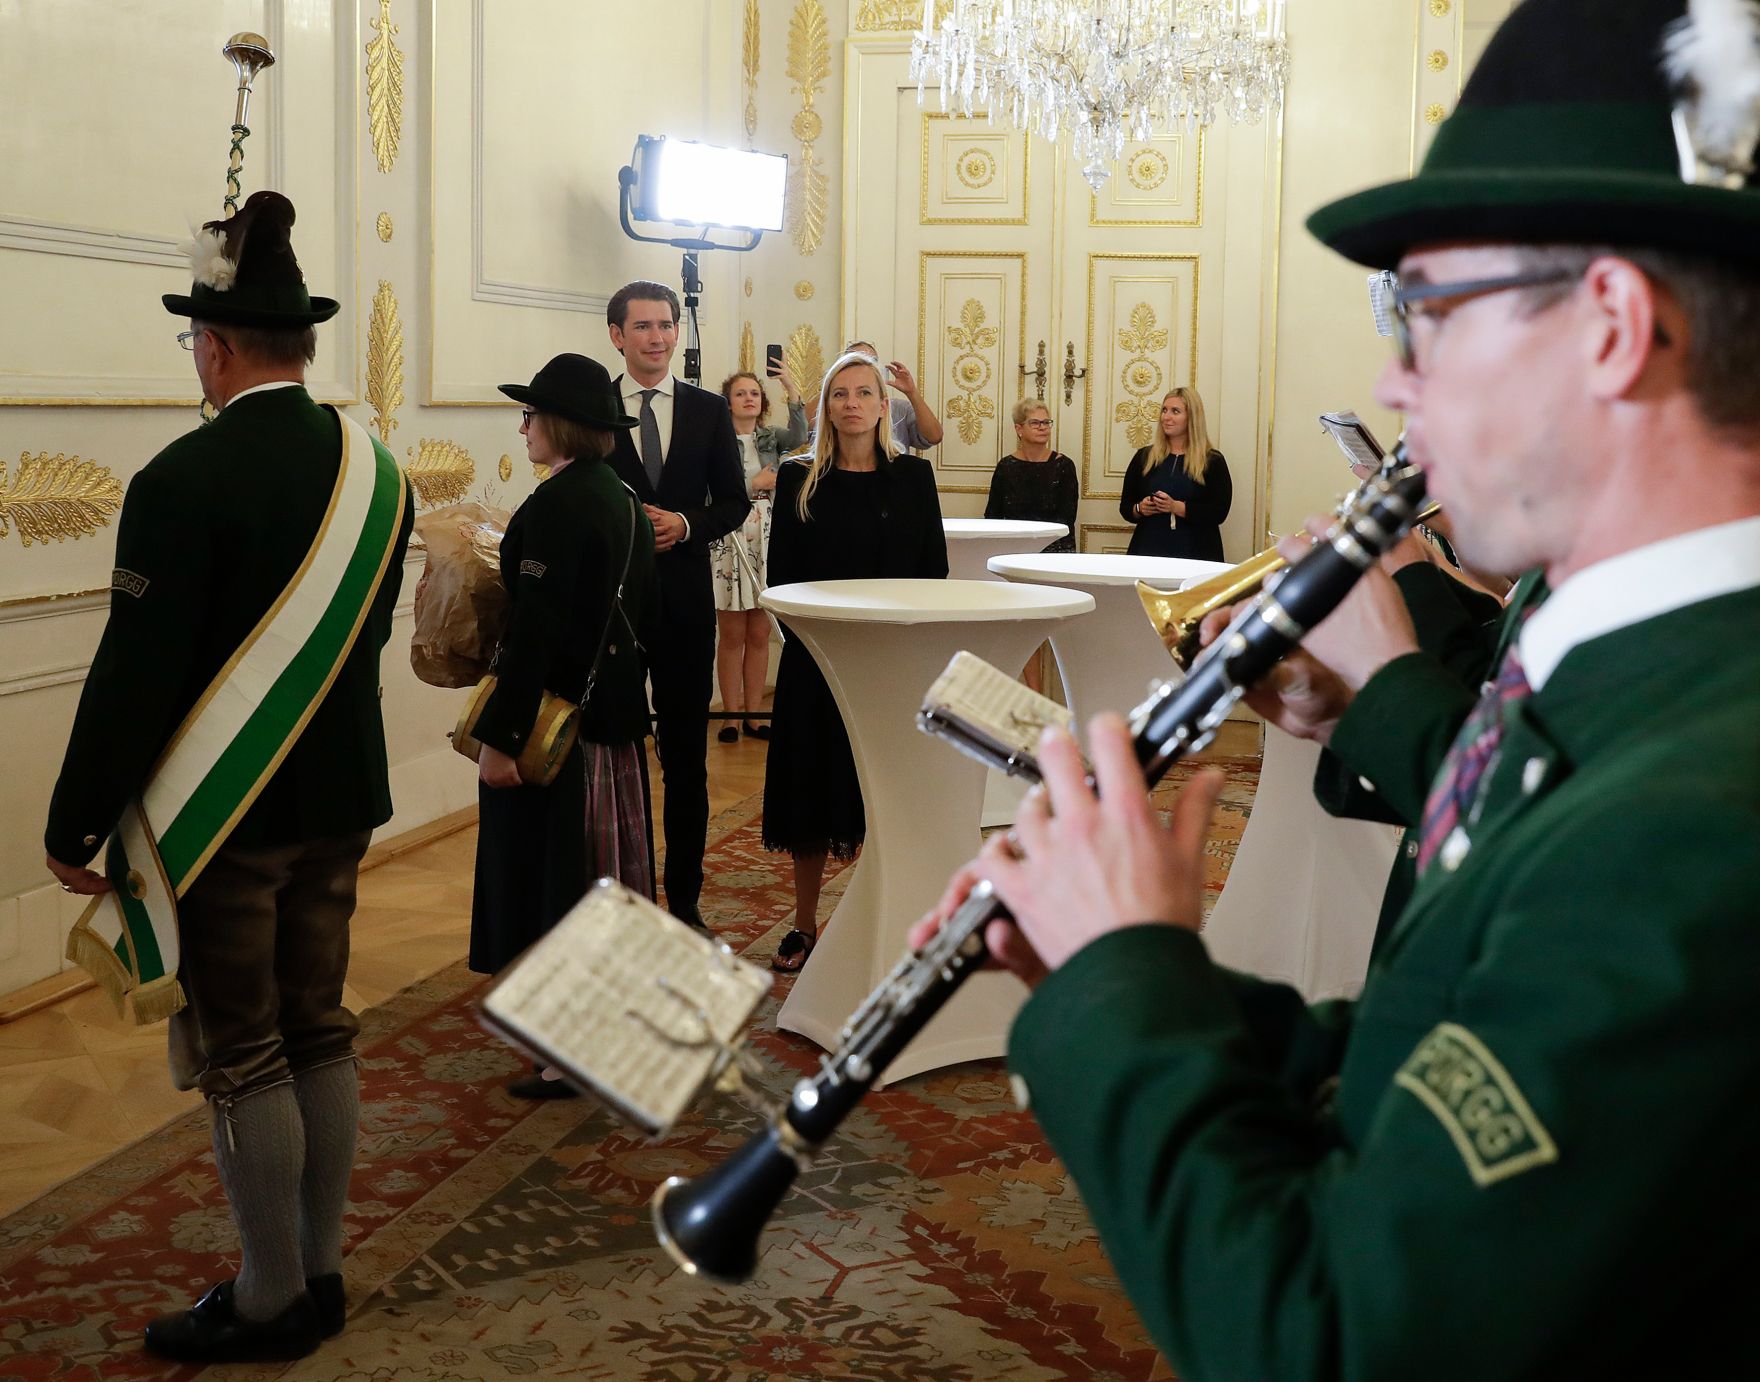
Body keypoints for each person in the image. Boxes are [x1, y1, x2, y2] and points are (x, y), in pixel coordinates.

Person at [915, 0, 1760, 1371]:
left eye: (1423, 311)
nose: (1391, 378)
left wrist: (1123, 992)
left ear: (1609, 323)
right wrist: (1135, 969)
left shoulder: (1688, 810)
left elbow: (1331, 1342)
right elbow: (1446, 1055)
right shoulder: (1642, 677)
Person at [43, 191, 413, 1363]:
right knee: (320, 1026)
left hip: (231, 825)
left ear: (213, 346)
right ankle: (319, 1266)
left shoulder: (180, 480)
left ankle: (265, 1296)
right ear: (297, 344)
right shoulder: (382, 473)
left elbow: (135, 676)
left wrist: (75, 821)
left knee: (244, 1047)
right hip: (342, 800)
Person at [468, 354, 659, 1099]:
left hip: (557, 730)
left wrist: (502, 739)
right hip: (609, 720)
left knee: (557, 883)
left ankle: (566, 1052)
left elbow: (536, 634)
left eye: (529, 416)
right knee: (605, 881)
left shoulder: (555, 506)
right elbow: (647, 617)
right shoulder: (619, 497)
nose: (522, 428)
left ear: (557, 425)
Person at [762, 352, 949, 972]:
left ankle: (890, 918)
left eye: (863, 393)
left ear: (882, 404)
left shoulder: (913, 480)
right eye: (839, 394)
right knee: (810, 795)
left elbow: (934, 574)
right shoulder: (797, 480)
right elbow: (782, 580)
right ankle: (805, 923)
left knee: (889, 796)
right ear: (826, 406)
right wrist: (818, 640)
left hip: (893, 662)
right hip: (818, 661)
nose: (851, 404)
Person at [603, 281, 750, 929]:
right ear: (617, 336)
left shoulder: (708, 410)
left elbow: (735, 503)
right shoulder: (594, 409)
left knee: (686, 763)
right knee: (611, 753)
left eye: (666, 325)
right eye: (643, 327)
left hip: (688, 609)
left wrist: (687, 525)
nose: (658, 337)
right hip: (613, 612)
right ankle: (611, 892)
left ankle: (684, 901)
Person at [711, 367, 808, 743]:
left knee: (760, 630)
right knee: (732, 633)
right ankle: (730, 717)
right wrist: (756, 484)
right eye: (741, 393)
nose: (749, 398)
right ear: (728, 402)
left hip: (767, 535)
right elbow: (710, 492)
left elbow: (801, 434)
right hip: (729, 535)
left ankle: (754, 713)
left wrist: (790, 387)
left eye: (754, 393)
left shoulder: (771, 438)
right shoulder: (715, 439)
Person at [984, 397, 1079, 691]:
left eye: (1046, 422)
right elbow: (992, 516)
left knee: (1059, 629)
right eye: (1035, 423)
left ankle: (1068, 695)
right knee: (1023, 627)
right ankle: (1034, 695)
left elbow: (1066, 519)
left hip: (1056, 558)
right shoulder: (1006, 467)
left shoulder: (1064, 466)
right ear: (1019, 429)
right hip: (1014, 558)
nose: (1042, 428)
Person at [1118, 386, 1232, 561]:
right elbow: (1126, 507)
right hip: (1148, 550)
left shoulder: (1212, 461)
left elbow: (1219, 512)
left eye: (1175, 411)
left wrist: (1177, 508)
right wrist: (1141, 508)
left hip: (1196, 552)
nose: (1166, 417)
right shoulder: (1144, 456)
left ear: (1192, 418)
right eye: (1164, 410)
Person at [836, 339, 945, 452]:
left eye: (870, 362)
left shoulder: (900, 409)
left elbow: (934, 437)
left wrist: (912, 392)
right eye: (853, 363)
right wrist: (832, 384)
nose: (862, 369)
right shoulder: (837, 406)